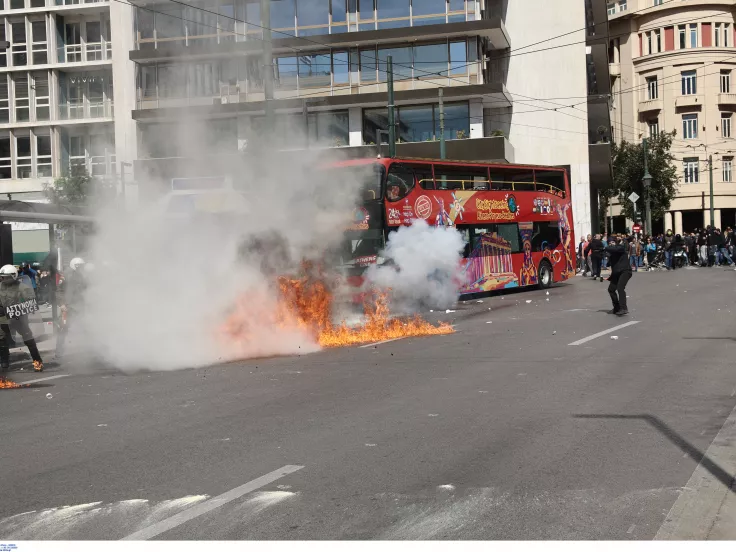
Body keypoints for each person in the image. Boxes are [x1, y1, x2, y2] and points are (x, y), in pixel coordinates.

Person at [0, 264, 43, 381]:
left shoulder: (22, 287)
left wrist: (17, 308)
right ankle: (4, 364)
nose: (4, 279)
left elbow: (31, 303)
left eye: (6, 277)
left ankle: (37, 362)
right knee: (1, 339)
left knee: (28, 339)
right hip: (3, 319)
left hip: (19, 318)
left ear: (13, 276)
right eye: (2, 277)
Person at [56, 257, 88, 360]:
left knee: (87, 327)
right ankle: (59, 351)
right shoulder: (66, 276)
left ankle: (90, 351)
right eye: (79, 266)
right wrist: (61, 304)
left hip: (80, 305)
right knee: (63, 328)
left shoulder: (83, 276)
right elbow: (59, 291)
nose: (81, 268)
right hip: (68, 306)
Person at [605, 235, 633, 316]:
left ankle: (623, 308)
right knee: (611, 289)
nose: (611, 244)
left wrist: (605, 248)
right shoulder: (611, 254)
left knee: (620, 288)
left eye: (613, 242)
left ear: (616, 242)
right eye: (609, 243)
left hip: (625, 271)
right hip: (617, 273)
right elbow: (611, 265)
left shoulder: (620, 248)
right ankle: (616, 307)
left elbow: (614, 249)